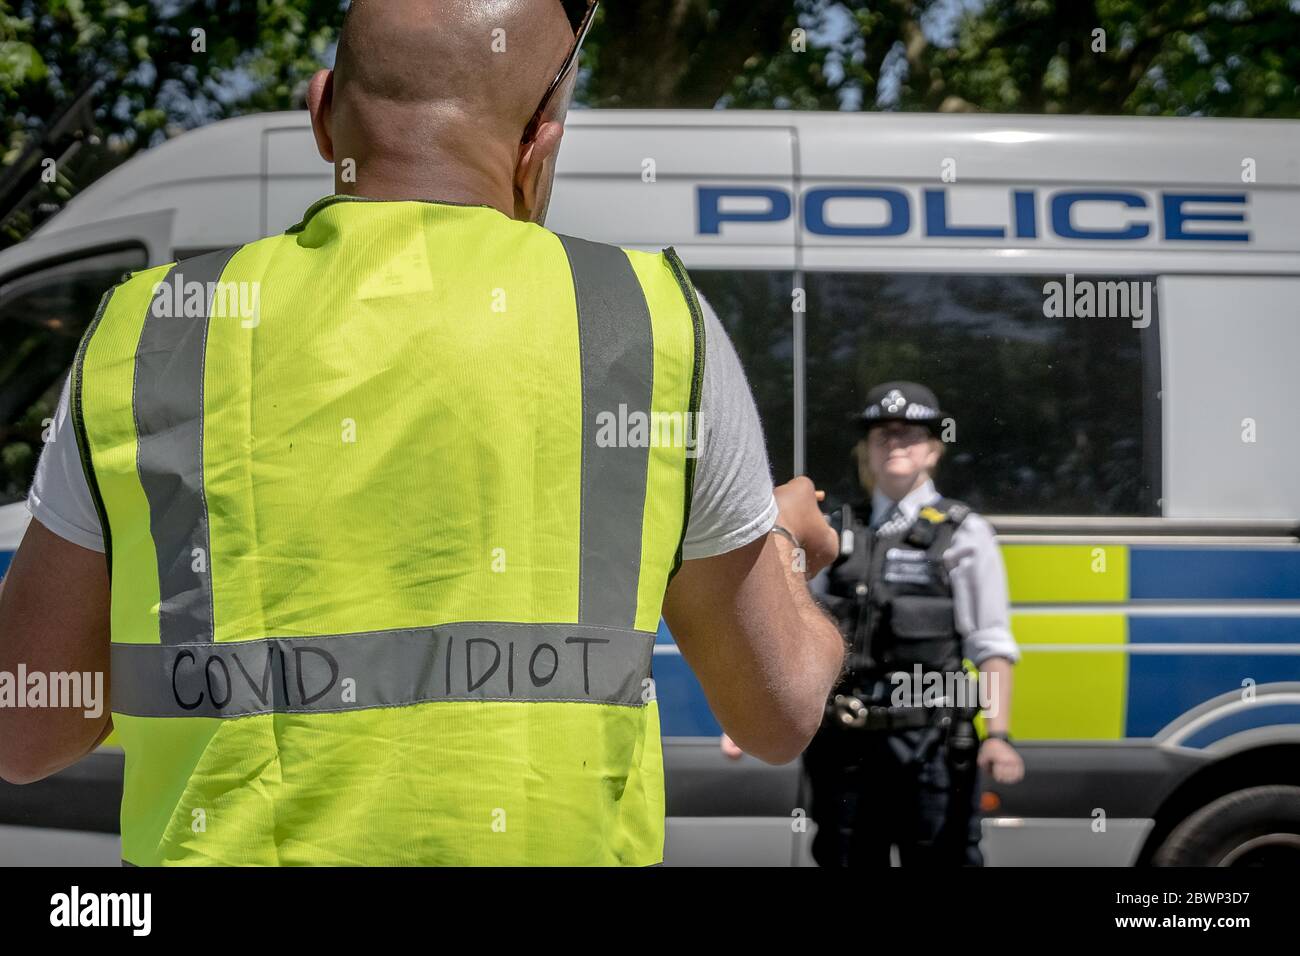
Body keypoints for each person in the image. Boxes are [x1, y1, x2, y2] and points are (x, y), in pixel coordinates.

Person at [0, 0, 845, 866]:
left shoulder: (152, 332)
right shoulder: (653, 324)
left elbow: (26, 730)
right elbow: (777, 714)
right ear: (540, 141)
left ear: (323, 113)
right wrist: (782, 542)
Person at [723, 380, 1024, 866]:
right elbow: (792, 629)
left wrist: (1000, 736)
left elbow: (991, 643)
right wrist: (751, 713)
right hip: (846, 747)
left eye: (910, 433)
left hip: (931, 747)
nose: (895, 443)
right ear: (867, 448)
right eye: (883, 434)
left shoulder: (965, 533)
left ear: (932, 448)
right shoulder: (835, 529)